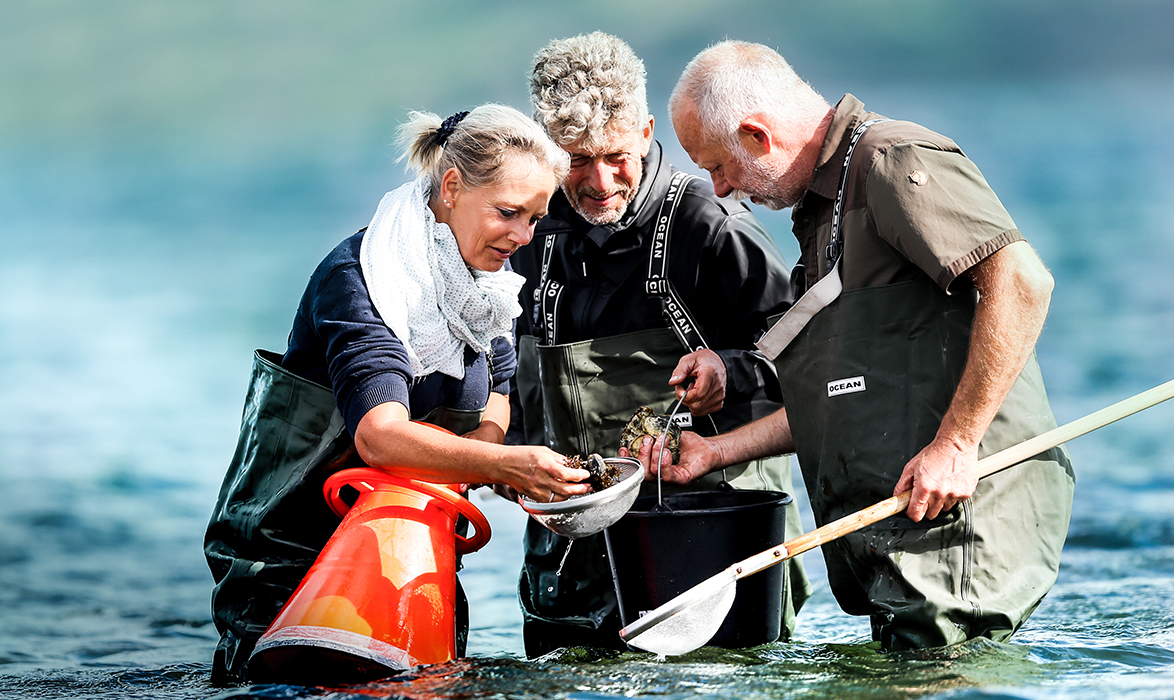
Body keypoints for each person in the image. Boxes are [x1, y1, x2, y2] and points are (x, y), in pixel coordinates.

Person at [661, 40, 1075, 650]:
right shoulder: (819, 212)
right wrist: (714, 453)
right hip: (900, 536)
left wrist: (958, 443)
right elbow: (842, 397)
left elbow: (1022, 280)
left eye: (718, 165)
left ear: (755, 136)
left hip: (957, 527)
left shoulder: (890, 160)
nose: (720, 190)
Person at [204, 104, 580, 684]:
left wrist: (486, 462)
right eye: (508, 213)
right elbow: (378, 436)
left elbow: (499, 389)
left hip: (411, 551)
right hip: (291, 558)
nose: (522, 237)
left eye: (535, 218)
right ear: (452, 187)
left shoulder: (489, 287)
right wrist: (503, 461)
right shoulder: (361, 278)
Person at [507, 32, 811, 656]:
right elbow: (501, 373)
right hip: (569, 561)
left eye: (616, 154)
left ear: (647, 132)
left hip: (710, 544)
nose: (599, 181)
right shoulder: (526, 233)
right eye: (576, 159)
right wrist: (505, 460)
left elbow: (812, 367)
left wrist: (731, 371)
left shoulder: (711, 226)